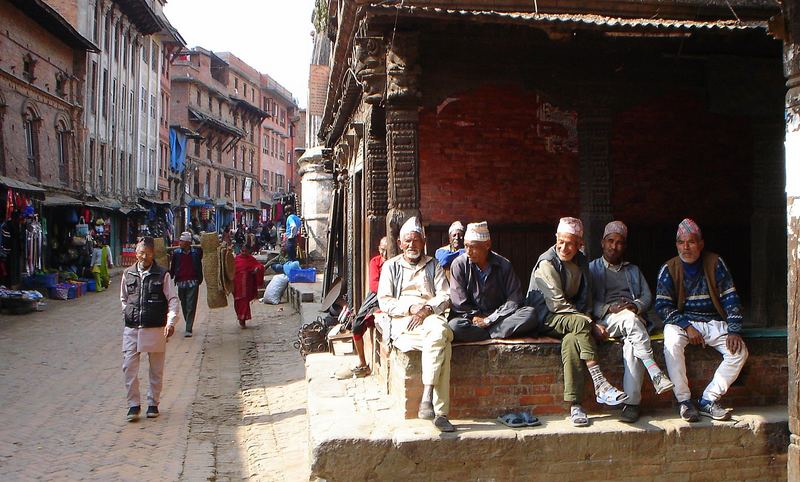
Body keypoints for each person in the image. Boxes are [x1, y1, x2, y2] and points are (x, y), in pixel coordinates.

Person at [527, 217, 628, 427]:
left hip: (571, 320)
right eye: (561, 242)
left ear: (579, 244)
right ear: (556, 239)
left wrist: (587, 317)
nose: (564, 247)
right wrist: (589, 324)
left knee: (572, 341)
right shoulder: (547, 263)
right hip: (546, 317)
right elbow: (557, 305)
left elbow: (587, 298)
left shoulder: (581, 261)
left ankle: (576, 405)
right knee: (581, 326)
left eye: (571, 243)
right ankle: (600, 384)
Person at [656, 218, 748, 422]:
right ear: (676, 244)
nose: (686, 247)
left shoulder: (715, 263)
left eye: (691, 242)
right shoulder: (669, 268)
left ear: (701, 243)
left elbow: (730, 298)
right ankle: (685, 402)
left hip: (713, 323)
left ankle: (708, 400)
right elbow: (662, 307)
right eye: (681, 242)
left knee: (739, 352)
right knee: (671, 343)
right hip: (684, 323)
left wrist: (734, 330)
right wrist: (686, 326)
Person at [588, 221, 673, 423]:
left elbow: (646, 296)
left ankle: (632, 404)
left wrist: (636, 306)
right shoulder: (592, 269)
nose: (614, 246)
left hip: (632, 322)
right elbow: (587, 300)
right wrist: (609, 308)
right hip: (607, 322)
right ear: (602, 243)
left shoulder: (633, 270)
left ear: (624, 246)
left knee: (632, 349)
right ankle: (654, 371)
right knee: (628, 319)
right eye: (610, 241)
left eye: (619, 243)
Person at [377, 217, 455, 432]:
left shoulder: (433, 264)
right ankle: (440, 412)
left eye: (416, 241)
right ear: (401, 244)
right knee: (443, 346)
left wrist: (427, 309)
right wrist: (411, 309)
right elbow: (385, 300)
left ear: (423, 242)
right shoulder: (391, 266)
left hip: (429, 317)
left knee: (439, 331)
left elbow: (445, 295)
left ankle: (427, 395)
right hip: (405, 323)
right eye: (408, 241)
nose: (412, 245)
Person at [120, 237, 179, 422]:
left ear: (153, 254)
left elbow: (173, 300)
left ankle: (153, 403)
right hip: (132, 328)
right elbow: (124, 298)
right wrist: (128, 313)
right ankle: (133, 405)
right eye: (141, 253)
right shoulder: (128, 274)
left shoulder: (163, 275)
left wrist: (171, 322)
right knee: (129, 367)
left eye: (147, 253)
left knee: (156, 369)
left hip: (155, 328)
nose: (144, 257)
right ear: (136, 253)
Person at [448, 221, 538, 342]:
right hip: (472, 320)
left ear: (487, 245)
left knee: (530, 314)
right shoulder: (459, 265)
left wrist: (490, 319)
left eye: (473, 247)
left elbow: (515, 299)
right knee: (455, 326)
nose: (468, 251)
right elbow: (459, 303)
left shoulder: (504, 265)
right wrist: (477, 317)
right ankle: (497, 333)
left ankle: (486, 334)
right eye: (466, 246)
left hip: (499, 318)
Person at [335, 236, 389, 379]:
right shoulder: (375, 262)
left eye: (388, 251)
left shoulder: (396, 263)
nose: (385, 254)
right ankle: (362, 362)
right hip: (376, 296)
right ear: (379, 249)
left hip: (390, 298)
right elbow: (374, 285)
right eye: (383, 250)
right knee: (357, 324)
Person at [169, 231, 204, 337]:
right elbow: (173, 267)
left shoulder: (196, 253)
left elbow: (203, 255)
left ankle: (188, 328)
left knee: (191, 305)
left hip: (193, 281)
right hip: (181, 282)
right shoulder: (176, 253)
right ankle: (188, 321)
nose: (180, 243)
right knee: (184, 304)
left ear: (188, 242)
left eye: (182, 241)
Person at [233, 243, 265, 328]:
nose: (243, 252)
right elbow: (231, 270)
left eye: (245, 251)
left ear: (248, 251)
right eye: (242, 251)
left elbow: (259, 266)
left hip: (247, 284)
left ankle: (243, 319)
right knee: (237, 301)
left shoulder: (251, 259)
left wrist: (256, 269)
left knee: (244, 302)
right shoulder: (236, 259)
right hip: (237, 284)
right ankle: (240, 317)